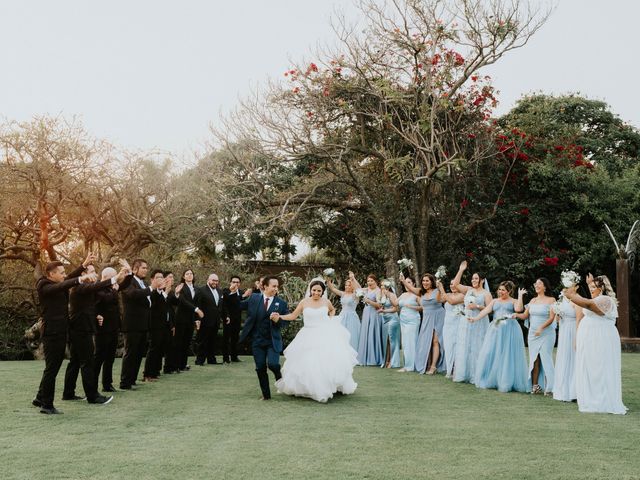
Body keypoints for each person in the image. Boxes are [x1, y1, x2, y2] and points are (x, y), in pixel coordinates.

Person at [272, 279, 358, 403]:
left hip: (323, 334)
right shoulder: (304, 302)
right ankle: (306, 387)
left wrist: (330, 318)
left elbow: (332, 310)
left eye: (319, 291)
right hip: (307, 334)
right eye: (314, 290)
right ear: (310, 290)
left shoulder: (326, 301)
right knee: (307, 361)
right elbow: (293, 316)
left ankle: (325, 386)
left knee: (323, 362)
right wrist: (279, 317)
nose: (316, 293)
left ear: (322, 292)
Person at [32, 253, 98, 414]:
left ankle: (40, 398)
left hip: (60, 332)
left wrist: (83, 266)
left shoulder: (57, 281)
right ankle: (47, 406)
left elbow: (67, 279)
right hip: (52, 333)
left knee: (52, 368)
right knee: (52, 369)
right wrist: (81, 279)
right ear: (51, 274)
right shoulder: (44, 285)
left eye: (63, 272)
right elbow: (61, 285)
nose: (63, 275)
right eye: (60, 273)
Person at [63, 262, 126, 404]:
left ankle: (68, 393)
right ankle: (93, 396)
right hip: (81, 329)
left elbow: (87, 307)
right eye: (92, 271)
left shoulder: (84, 289)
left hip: (80, 327)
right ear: (83, 275)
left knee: (75, 361)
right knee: (87, 362)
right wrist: (116, 277)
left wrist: (96, 315)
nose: (95, 274)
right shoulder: (80, 287)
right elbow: (97, 286)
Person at [565, 275, 627, 414]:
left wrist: (572, 295)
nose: (591, 289)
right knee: (591, 367)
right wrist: (587, 284)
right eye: (590, 287)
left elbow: (588, 304)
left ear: (602, 288)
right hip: (591, 340)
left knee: (600, 368)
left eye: (594, 287)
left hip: (601, 339)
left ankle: (601, 400)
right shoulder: (597, 297)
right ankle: (591, 397)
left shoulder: (605, 300)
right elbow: (590, 299)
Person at [469, 281, 528, 393]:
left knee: (507, 355)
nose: (500, 292)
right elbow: (486, 311)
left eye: (503, 290)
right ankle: (490, 378)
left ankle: (506, 381)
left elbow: (519, 309)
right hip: (495, 329)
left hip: (510, 330)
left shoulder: (514, 301)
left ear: (509, 291)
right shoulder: (494, 301)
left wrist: (520, 296)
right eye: (499, 289)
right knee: (490, 352)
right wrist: (475, 319)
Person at [238, 276, 289, 400]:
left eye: (277, 286)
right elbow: (239, 306)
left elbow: (286, 322)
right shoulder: (254, 298)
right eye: (274, 286)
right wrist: (236, 293)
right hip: (257, 341)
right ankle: (266, 395)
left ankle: (279, 375)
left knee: (272, 364)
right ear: (265, 286)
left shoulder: (281, 303)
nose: (276, 289)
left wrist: (279, 319)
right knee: (260, 367)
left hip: (272, 340)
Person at [119, 259, 160, 390]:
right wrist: (151, 288)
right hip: (132, 324)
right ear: (135, 269)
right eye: (143, 268)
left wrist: (157, 290)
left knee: (138, 354)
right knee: (130, 353)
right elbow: (133, 295)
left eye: (146, 268)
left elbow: (149, 301)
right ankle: (125, 382)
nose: (146, 270)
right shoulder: (128, 281)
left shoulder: (144, 283)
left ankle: (132, 380)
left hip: (143, 325)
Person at [451, 261, 492, 383]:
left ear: (482, 280)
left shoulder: (486, 293)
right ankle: (464, 373)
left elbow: (490, 309)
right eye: (472, 278)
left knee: (477, 345)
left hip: (479, 322)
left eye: (476, 278)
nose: (473, 280)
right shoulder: (468, 289)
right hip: (466, 321)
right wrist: (461, 269)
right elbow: (456, 284)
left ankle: (477, 374)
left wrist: (478, 306)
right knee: (465, 345)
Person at [513, 278, 556, 395]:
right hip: (533, 334)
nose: (536, 285)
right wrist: (516, 314)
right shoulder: (532, 301)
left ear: (545, 287)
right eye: (535, 283)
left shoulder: (551, 300)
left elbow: (552, 318)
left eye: (539, 284)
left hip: (546, 333)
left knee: (546, 357)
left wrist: (541, 327)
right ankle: (535, 386)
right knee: (534, 359)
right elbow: (525, 315)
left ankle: (551, 386)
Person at [401, 272, 445, 374]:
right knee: (426, 341)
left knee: (435, 341)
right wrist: (403, 281)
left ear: (431, 282)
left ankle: (433, 367)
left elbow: (441, 300)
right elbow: (411, 288)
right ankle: (426, 364)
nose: (425, 283)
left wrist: (440, 288)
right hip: (426, 319)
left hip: (438, 316)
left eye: (427, 281)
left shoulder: (436, 290)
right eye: (423, 281)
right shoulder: (421, 292)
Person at [553, 289, 583, 402]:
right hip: (564, 331)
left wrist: (577, 338)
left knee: (573, 359)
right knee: (564, 358)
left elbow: (579, 320)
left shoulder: (578, 300)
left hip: (573, 330)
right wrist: (557, 313)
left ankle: (574, 391)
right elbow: (557, 319)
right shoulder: (562, 300)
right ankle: (563, 391)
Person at [94, 267, 121, 392]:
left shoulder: (111, 288)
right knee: (99, 357)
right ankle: (93, 385)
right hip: (102, 329)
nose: (115, 280)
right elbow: (107, 300)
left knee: (110, 358)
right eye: (114, 277)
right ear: (106, 277)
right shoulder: (98, 288)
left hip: (113, 328)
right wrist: (115, 291)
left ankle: (107, 384)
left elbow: (115, 303)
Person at [172, 269, 204, 371]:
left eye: (191, 274)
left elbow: (197, 304)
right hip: (181, 319)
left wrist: (197, 319)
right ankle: (175, 365)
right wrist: (197, 310)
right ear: (183, 277)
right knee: (178, 343)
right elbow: (183, 301)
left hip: (190, 320)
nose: (189, 275)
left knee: (186, 343)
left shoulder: (197, 289)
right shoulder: (181, 287)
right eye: (187, 274)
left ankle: (183, 365)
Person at [143, 270, 171, 381]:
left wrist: (164, 291)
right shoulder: (150, 292)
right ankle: (147, 374)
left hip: (161, 325)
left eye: (162, 277)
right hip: (153, 325)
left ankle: (154, 372)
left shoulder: (159, 292)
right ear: (152, 280)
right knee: (153, 349)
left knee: (158, 349)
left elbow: (163, 307)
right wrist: (165, 291)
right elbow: (154, 305)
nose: (161, 279)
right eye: (158, 277)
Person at [352, 273, 384, 366]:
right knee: (366, 333)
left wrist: (369, 301)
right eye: (368, 281)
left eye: (371, 281)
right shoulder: (367, 289)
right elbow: (358, 288)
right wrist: (353, 278)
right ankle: (365, 357)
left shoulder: (378, 290)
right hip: (366, 314)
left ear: (375, 281)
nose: (369, 282)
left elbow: (379, 305)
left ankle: (373, 358)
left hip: (374, 314)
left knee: (372, 334)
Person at [195, 273, 226, 365]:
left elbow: (221, 306)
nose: (215, 282)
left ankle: (211, 359)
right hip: (204, 320)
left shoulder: (220, 291)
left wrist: (226, 316)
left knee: (212, 341)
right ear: (208, 280)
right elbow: (198, 305)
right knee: (203, 341)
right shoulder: (201, 290)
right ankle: (200, 360)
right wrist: (197, 319)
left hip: (215, 321)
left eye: (216, 281)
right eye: (213, 280)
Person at [437, 280, 465, 378]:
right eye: (450, 284)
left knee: (457, 346)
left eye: (454, 284)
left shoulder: (462, 295)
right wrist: (438, 289)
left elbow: (452, 302)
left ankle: (457, 369)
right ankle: (449, 369)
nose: (452, 286)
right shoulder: (447, 294)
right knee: (448, 346)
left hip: (458, 324)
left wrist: (441, 288)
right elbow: (439, 300)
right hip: (447, 324)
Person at [326, 276, 361, 352]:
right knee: (341, 334)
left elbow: (358, 288)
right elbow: (333, 289)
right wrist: (328, 280)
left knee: (351, 335)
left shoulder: (355, 295)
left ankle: (353, 352)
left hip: (352, 317)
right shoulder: (343, 294)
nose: (347, 286)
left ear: (352, 286)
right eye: (346, 285)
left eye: (349, 285)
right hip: (342, 316)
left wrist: (353, 278)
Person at [222, 275, 251, 363]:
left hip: (237, 319)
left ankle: (234, 357)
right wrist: (242, 296)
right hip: (228, 319)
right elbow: (225, 304)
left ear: (240, 284)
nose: (235, 284)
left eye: (237, 282)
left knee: (235, 339)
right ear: (230, 283)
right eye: (234, 282)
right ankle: (226, 358)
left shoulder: (241, 292)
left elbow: (241, 305)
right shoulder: (225, 291)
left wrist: (245, 296)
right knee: (226, 339)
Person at [396, 277, 421, 372]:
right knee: (405, 343)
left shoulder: (416, 295)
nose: (407, 284)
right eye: (405, 282)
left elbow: (423, 307)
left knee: (411, 342)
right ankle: (407, 364)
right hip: (403, 320)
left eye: (409, 282)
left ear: (414, 284)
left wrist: (411, 306)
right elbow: (395, 303)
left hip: (413, 320)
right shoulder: (403, 295)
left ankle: (411, 366)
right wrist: (387, 292)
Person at [379, 282, 401, 369]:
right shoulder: (382, 296)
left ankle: (393, 361)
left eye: (383, 286)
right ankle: (386, 361)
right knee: (386, 341)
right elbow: (383, 307)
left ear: (388, 287)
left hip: (393, 319)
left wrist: (384, 311)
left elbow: (396, 309)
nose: (382, 287)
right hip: (385, 319)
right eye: (381, 286)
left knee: (392, 340)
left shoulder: (392, 295)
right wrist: (382, 309)